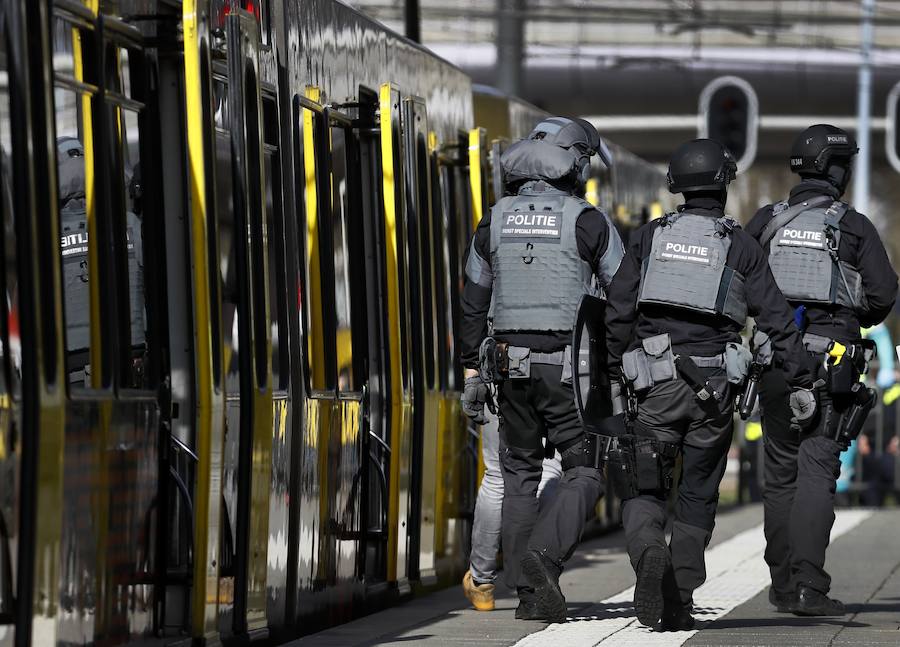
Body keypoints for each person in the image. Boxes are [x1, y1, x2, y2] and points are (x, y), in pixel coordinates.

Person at [604, 138, 816, 631]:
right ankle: (678, 594)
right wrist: (801, 379)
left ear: (676, 185)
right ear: (723, 183)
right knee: (699, 491)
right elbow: (777, 320)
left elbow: (617, 308)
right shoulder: (739, 244)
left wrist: (615, 365)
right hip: (714, 389)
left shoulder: (649, 237)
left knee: (643, 484)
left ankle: (648, 551)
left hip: (652, 385)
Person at [459, 116, 623, 623]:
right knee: (585, 471)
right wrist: (615, 365)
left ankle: (527, 597)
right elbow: (623, 294)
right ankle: (542, 562)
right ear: (573, 163)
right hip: (569, 377)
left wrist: (470, 371)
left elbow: (472, 302)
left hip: (508, 373)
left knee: (518, 476)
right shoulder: (588, 220)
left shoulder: (494, 220)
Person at [746, 124, 898, 616]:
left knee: (781, 474)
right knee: (816, 469)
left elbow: (736, 283)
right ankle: (810, 586)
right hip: (830, 364)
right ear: (836, 171)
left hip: (772, 360)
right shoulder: (851, 225)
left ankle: (782, 584)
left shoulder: (765, 221)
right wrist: (852, 317)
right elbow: (882, 295)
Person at [461, 416, 562, 611]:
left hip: (501, 392)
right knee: (549, 470)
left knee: (496, 476)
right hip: (552, 390)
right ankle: (542, 568)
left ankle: (481, 583)